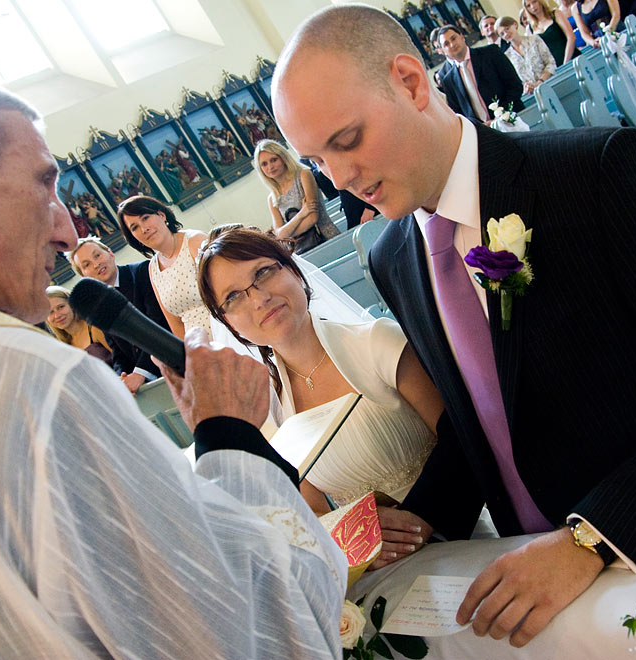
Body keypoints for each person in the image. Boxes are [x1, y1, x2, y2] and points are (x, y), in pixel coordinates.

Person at [272, 4, 636, 649]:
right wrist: (420, 518)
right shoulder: (392, 257)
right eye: (316, 161)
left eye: (347, 140)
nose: (341, 179)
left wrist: (592, 538)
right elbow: (484, 424)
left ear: (411, 82)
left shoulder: (597, 173)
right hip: (545, 595)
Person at [0, 63, 346, 657]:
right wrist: (231, 436)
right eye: (43, 184)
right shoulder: (38, 382)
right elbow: (253, 631)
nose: (65, 231)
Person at [197, 228, 444, 547]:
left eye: (263, 273)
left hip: (453, 526)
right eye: (233, 297)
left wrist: (414, 529)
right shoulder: (270, 408)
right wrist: (361, 541)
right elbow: (315, 510)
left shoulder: (377, 343)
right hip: (377, 564)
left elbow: (462, 440)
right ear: (227, 322)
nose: (259, 299)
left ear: (294, 270)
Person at [67, 235, 170, 394]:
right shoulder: (98, 305)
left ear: (110, 253)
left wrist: (139, 374)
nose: (96, 264)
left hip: (172, 364)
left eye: (98, 255)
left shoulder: (143, 272)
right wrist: (121, 379)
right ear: (84, 276)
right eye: (86, 264)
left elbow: (160, 324)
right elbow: (118, 351)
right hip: (145, 386)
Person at [115, 194, 210, 339]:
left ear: (161, 215)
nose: (143, 229)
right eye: (134, 227)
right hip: (199, 348)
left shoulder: (195, 242)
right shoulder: (153, 268)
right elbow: (176, 324)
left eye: (145, 218)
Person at [254, 139, 340, 255]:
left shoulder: (303, 175)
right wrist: (302, 214)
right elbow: (279, 235)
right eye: (264, 164)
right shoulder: (272, 197)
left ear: (283, 158)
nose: (270, 166)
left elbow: (313, 218)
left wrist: (287, 232)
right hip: (301, 250)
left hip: (327, 238)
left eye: (273, 160)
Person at [437, 24, 524, 124]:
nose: (452, 45)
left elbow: (515, 86)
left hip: (512, 119)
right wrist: (480, 127)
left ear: (462, 37)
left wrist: (501, 115)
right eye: (446, 44)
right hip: (484, 132)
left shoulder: (491, 53)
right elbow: (459, 114)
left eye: (453, 38)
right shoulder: (448, 80)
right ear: (443, 51)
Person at [45, 284, 113, 364]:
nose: (57, 315)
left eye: (61, 307)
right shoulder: (63, 346)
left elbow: (123, 358)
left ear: (72, 303)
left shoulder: (94, 328)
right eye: (50, 312)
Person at [496, 16, 557, 95]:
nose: (506, 34)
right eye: (502, 34)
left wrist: (540, 82)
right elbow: (516, 81)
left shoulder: (534, 39)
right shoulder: (507, 56)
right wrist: (526, 87)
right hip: (532, 93)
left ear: (515, 24)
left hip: (551, 82)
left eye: (507, 29)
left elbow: (550, 63)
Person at [523, 0, 577, 66]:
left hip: (571, 58)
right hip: (553, 67)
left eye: (534, 1)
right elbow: (536, 54)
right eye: (528, 6)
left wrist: (565, 63)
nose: (532, 6)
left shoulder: (556, 13)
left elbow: (571, 37)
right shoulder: (530, 29)